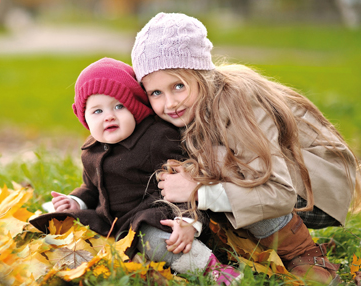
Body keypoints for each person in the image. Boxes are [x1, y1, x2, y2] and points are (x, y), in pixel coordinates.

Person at [131, 12, 360, 285]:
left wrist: (199, 191)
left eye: (178, 86)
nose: (169, 103)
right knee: (195, 162)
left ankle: (306, 255)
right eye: (156, 93)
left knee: (214, 160)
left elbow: (280, 193)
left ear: (201, 74)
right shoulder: (190, 107)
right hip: (275, 184)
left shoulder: (237, 101)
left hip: (314, 190)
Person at [29, 58, 242, 285]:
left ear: (136, 107)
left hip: (153, 215)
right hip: (111, 222)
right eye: (97, 111)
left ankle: (213, 269)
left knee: (158, 241)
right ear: (84, 117)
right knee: (64, 225)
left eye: (119, 106)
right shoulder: (91, 151)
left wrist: (188, 221)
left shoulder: (156, 138)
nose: (109, 116)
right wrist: (76, 201)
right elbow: (90, 188)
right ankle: (67, 266)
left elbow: (184, 184)